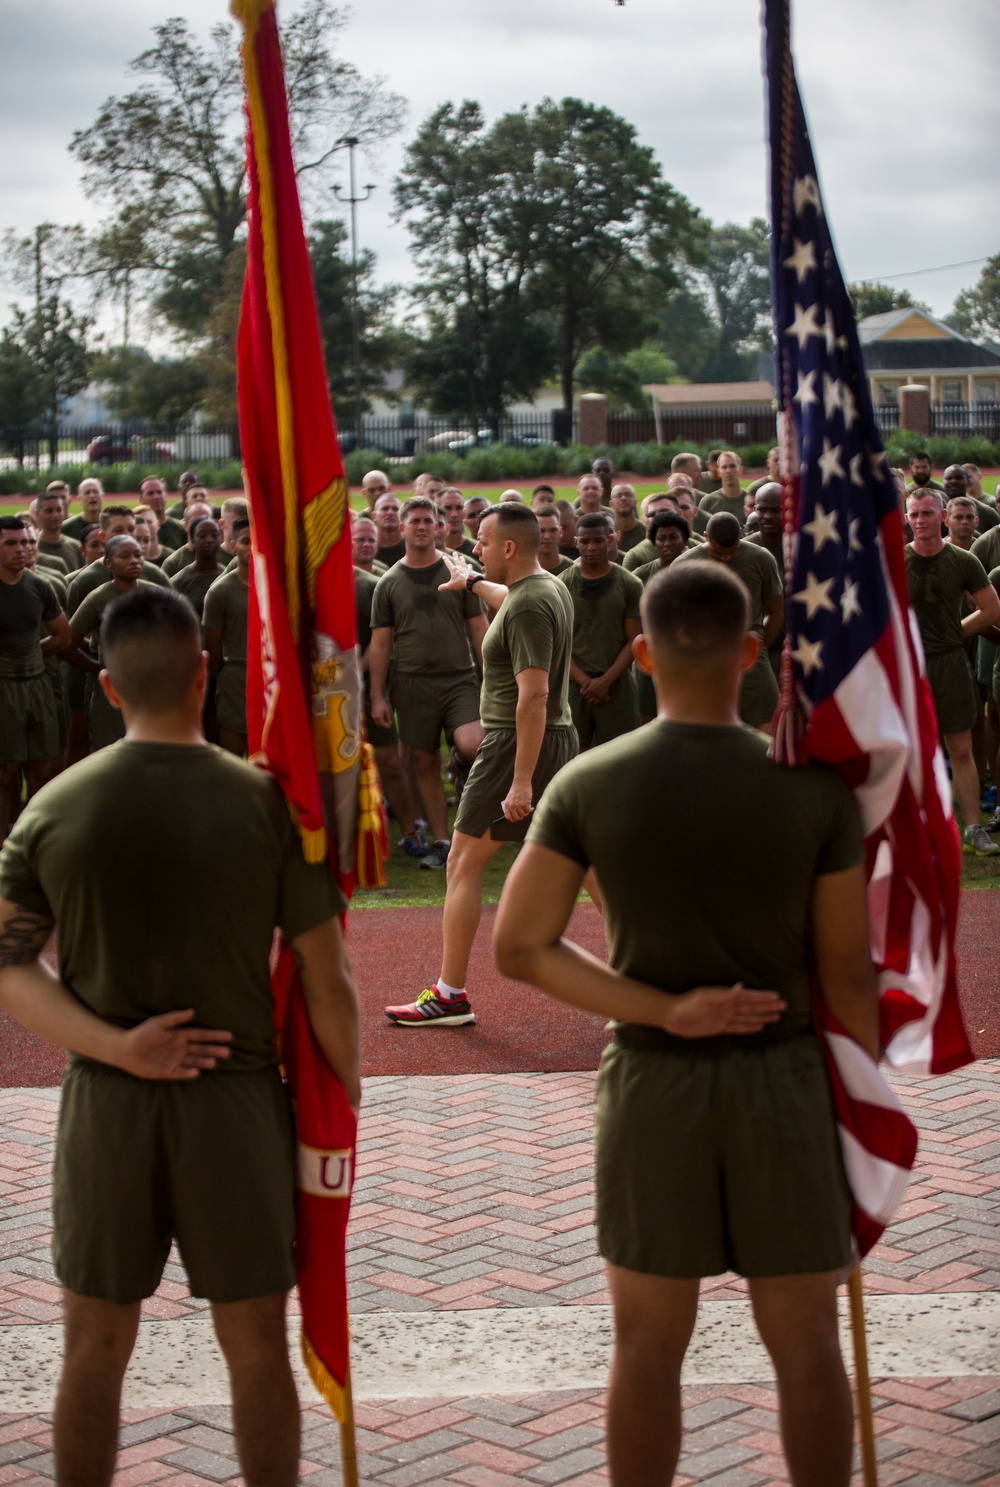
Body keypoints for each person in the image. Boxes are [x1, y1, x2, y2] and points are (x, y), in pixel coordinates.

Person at [494, 558, 875, 1487]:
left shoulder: (588, 781)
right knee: (807, 1341)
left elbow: (519, 946)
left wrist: (667, 1008)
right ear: (751, 651)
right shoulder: (816, 788)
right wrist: (862, 1103)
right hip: (784, 1078)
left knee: (648, 1343)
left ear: (642, 652)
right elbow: (848, 978)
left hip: (654, 1079)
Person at [0, 584, 358, 1487]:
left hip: (107, 1103)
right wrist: (341, 1105)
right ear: (206, 673)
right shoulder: (267, 806)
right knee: (253, 1345)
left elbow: (8, 966)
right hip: (234, 1104)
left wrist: (119, 1046)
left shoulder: (49, 810)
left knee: (93, 1344)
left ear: (109, 689)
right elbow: (331, 981)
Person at [386, 503, 576, 1027]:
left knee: (462, 863)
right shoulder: (546, 587)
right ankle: (644, 978)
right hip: (554, 740)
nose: (476, 548)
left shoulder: (529, 606)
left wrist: (518, 782)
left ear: (509, 549)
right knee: (590, 864)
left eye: (484, 543)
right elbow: (509, 597)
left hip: (518, 744)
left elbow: (532, 697)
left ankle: (450, 996)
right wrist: (470, 581)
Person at [368, 497, 487, 871]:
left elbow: (480, 629)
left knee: (472, 744)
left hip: (459, 679)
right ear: (401, 528)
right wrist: (377, 695)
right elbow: (381, 644)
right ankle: (442, 840)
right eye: (414, 520)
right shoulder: (389, 583)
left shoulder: (457, 570)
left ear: (439, 528)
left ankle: (473, 824)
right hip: (411, 683)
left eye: (428, 521)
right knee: (422, 762)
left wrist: (493, 679)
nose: (421, 526)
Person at [905, 490, 1000, 855]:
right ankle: (918, 826)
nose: (920, 520)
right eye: (913, 514)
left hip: (950, 661)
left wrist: (955, 631)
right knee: (912, 750)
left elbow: (991, 610)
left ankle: (973, 828)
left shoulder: (963, 559)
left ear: (942, 515)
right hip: (910, 665)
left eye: (927, 513)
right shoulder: (895, 560)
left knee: (960, 748)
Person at [676, 512, 783, 733]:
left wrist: (761, 645)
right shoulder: (685, 565)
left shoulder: (760, 558)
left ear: (742, 535)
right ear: (705, 537)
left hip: (750, 653)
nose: (725, 558)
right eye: (718, 553)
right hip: (703, 656)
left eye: (731, 552)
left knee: (770, 720)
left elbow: (776, 611)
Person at [0, 517, 71, 841]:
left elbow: (63, 635)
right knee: (4, 775)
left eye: (27, 542)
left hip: (37, 687)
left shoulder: (39, 586)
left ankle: (35, 843)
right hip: (3, 692)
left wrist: (30, 653)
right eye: (11, 543)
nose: (22, 550)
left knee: (43, 771)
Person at [353, 564, 427, 859]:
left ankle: (410, 831)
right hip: (318, 689)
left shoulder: (370, 585)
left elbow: (382, 639)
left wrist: (357, 674)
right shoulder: (302, 583)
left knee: (388, 761)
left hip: (367, 685)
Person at [66, 537, 158, 752]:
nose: (134, 561)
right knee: (109, 751)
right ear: (108, 563)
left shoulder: (155, 594)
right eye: (124, 556)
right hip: (111, 691)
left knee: (150, 751)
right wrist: (96, 666)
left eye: (137, 555)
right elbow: (68, 642)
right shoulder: (98, 598)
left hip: (150, 686)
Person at [560, 514, 642, 748]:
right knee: (573, 756)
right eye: (585, 541)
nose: (592, 547)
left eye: (598, 540)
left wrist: (605, 681)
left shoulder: (629, 584)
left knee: (620, 754)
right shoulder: (562, 585)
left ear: (611, 539)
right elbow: (558, 644)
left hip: (616, 686)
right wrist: (586, 682)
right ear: (576, 542)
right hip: (575, 687)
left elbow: (634, 640)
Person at [630, 512, 691, 723]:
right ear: (653, 542)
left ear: (685, 539)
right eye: (661, 538)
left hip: (688, 658)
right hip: (650, 657)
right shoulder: (640, 576)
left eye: (674, 537)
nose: (667, 543)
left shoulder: (696, 572)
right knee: (646, 714)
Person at [204, 520, 251, 758]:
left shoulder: (277, 586)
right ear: (232, 546)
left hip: (271, 677)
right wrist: (228, 673)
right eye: (246, 541)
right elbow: (211, 646)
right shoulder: (220, 591)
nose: (252, 548)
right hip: (235, 678)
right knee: (233, 752)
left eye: (258, 542)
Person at [745, 483, 786, 677]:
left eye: (776, 510)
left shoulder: (806, 547)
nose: (768, 516)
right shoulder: (743, 551)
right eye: (762, 510)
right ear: (754, 510)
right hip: (760, 652)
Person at [171, 517, 225, 624]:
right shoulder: (178, 582)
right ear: (192, 540)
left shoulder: (226, 575)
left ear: (220, 538)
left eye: (214, 535)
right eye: (202, 536)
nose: (209, 540)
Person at [623, 493, 689, 572]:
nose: (658, 517)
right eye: (652, 514)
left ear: (679, 514)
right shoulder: (635, 557)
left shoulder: (698, 547)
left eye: (664, 511)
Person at [162, 502, 215, 578]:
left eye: (207, 520)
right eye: (196, 521)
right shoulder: (174, 563)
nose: (202, 526)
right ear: (185, 526)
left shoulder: (221, 556)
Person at [35, 492, 84, 574]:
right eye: (49, 511)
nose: (55, 515)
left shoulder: (75, 546)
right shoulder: (34, 548)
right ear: (37, 514)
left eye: (59, 510)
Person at [943, 463, 998, 533]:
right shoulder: (936, 507)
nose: (953, 481)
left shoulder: (985, 511)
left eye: (958, 478)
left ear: (966, 481)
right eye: (949, 478)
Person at [697, 451, 748, 525]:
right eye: (724, 467)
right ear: (719, 472)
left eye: (733, 466)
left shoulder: (750, 500)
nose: (728, 471)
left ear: (740, 469)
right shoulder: (708, 501)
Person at [139, 475, 187, 551]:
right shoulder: (136, 529)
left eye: (159, 492)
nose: (156, 496)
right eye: (150, 493)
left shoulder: (180, 529)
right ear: (141, 498)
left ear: (166, 496)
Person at [438, 487, 479, 558]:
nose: (454, 514)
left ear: (465, 513)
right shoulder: (427, 551)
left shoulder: (478, 550)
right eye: (447, 508)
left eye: (459, 508)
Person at [535, 504, 575, 575]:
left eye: (553, 530)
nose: (547, 536)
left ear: (560, 532)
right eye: (541, 531)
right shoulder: (522, 569)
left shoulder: (572, 570)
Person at [609, 483, 646, 558]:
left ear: (635, 502)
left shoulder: (647, 531)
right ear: (611, 504)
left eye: (628, 495)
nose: (623, 498)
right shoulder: (606, 533)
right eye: (618, 495)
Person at [372, 493, 406, 568]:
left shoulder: (412, 548)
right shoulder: (367, 549)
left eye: (395, 509)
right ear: (374, 516)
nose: (390, 512)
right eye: (385, 508)